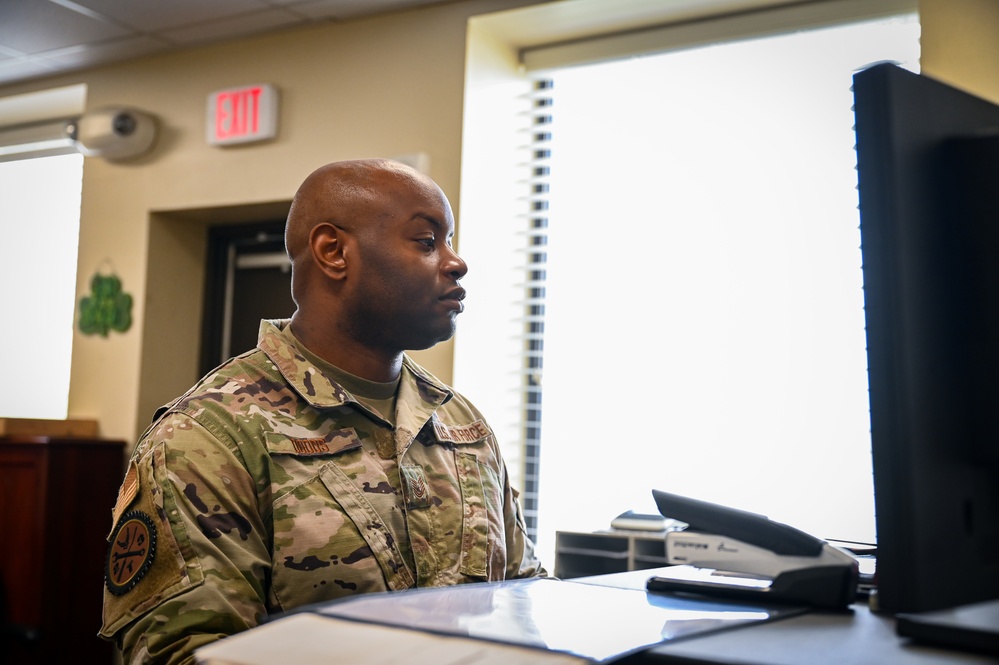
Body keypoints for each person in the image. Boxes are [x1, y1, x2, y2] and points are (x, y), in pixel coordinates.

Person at [99, 158, 547, 664]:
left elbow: (522, 600)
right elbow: (187, 654)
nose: (456, 262)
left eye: (449, 241)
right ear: (334, 252)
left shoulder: (462, 423)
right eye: (426, 241)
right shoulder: (207, 436)